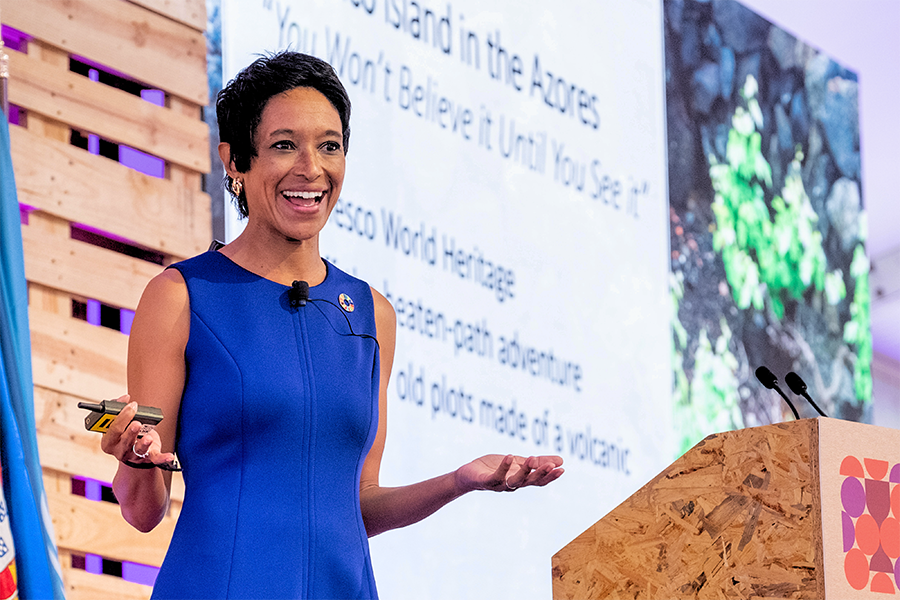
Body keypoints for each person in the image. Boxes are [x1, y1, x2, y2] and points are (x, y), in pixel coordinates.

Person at [99, 51, 564, 599]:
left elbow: (359, 505)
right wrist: (133, 454)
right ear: (234, 161)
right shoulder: (181, 296)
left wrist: (459, 481)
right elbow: (142, 509)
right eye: (283, 145)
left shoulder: (373, 315)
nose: (311, 168)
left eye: (329, 145)